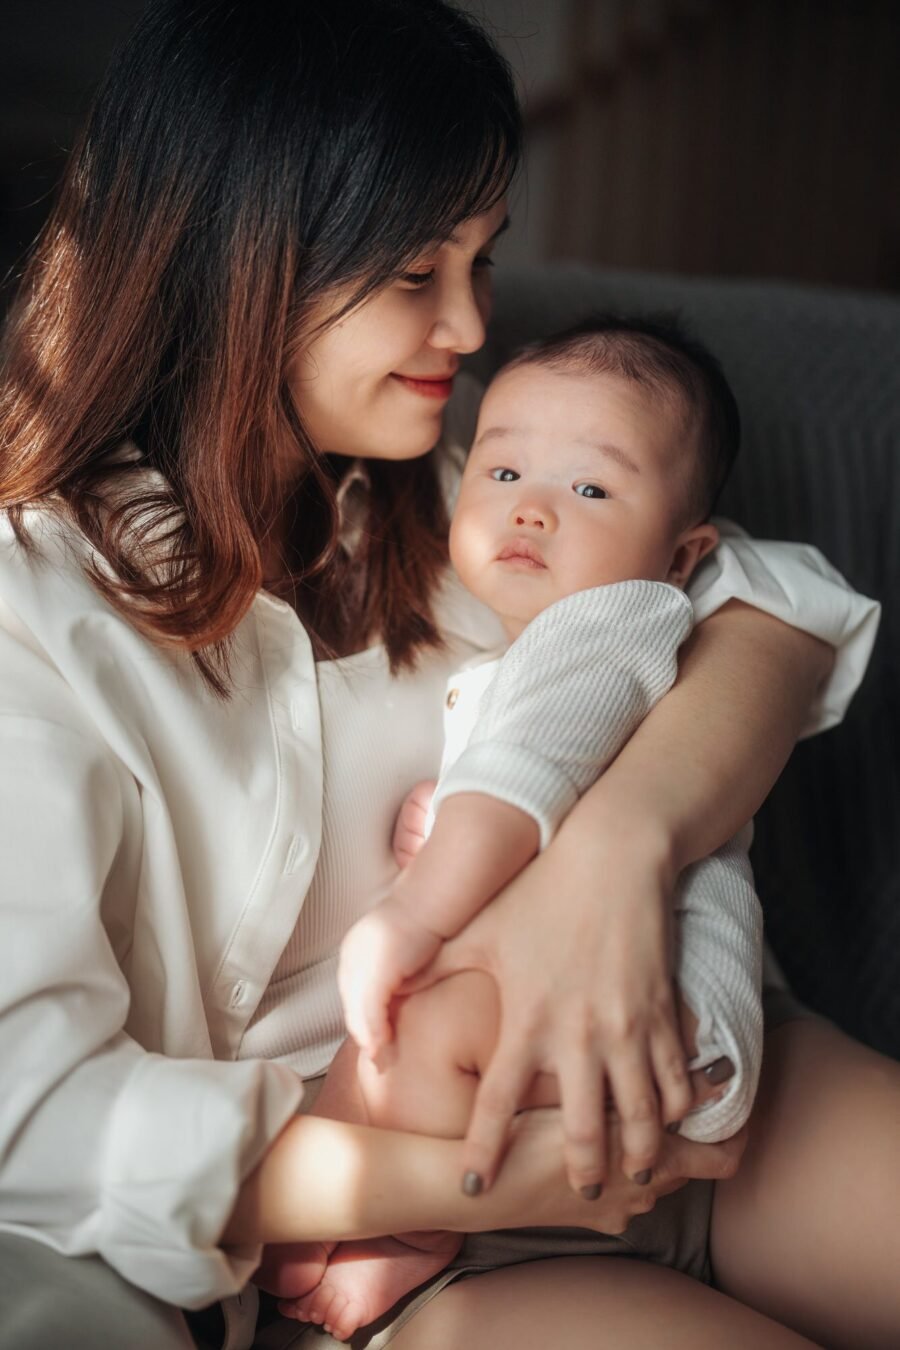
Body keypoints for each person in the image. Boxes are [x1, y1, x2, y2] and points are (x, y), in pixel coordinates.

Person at [0, 3, 893, 1350]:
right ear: (243, 265)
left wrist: (618, 852)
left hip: (695, 1049)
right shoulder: (38, 608)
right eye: (420, 273)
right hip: (405, 1230)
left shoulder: (467, 472)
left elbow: (773, 608)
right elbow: (42, 1115)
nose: (474, 323)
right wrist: (490, 1178)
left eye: (484, 258)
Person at [270, 316, 770, 1341]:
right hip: (638, 1016)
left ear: (681, 554)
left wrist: (411, 911)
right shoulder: (544, 650)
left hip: (666, 1017)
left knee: (402, 1037)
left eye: (590, 490)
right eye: (502, 474)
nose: (533, 510)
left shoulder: (606, 624)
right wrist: (450, 825)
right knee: (402, 1045)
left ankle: (405, 1235)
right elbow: (525, 788)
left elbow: (527, 773)